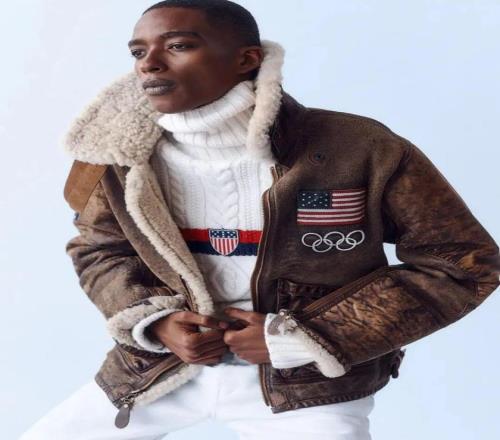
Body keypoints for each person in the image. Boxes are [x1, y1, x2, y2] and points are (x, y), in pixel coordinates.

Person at [20, 0, 500, 439]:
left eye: (179, 45)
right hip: (160, 371)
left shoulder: (358, 147)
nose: (149, 63)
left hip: (308, 383)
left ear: (247, 59)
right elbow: (100, 249)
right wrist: (158, 323)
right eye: (138, 51)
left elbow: (464, 262)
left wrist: (300, 337)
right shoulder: (117, 157)